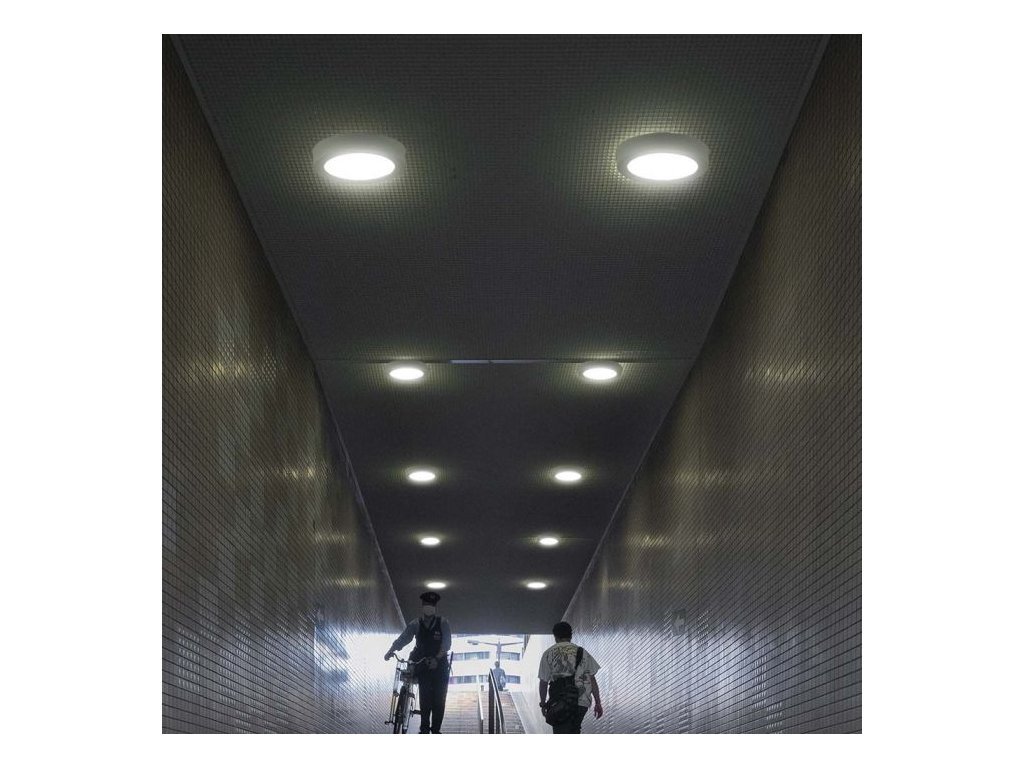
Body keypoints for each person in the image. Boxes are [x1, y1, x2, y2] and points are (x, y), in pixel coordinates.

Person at [384, 591, 452, 734]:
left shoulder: (443, 623)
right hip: (423, 665)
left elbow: (446, 644)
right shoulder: (416, 624)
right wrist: (391, 650)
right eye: (426, 604)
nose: (429, 606)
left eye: (431, 604)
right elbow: (404, 638)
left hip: (440, 667)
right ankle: (424, 729)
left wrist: (437, 659)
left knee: (439, 699)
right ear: (422, 605)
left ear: (435, 607)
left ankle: (436, 730)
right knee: (425, 698)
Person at [537, 621, 604, 734]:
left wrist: (543, 704)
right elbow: (592, 679)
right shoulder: (583, 652)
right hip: (581, 702)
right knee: (575, 729)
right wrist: (598, 703)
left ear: (555, 637)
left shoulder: (548, 653)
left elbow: (543, 682)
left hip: (560, 701)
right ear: (571, 635)